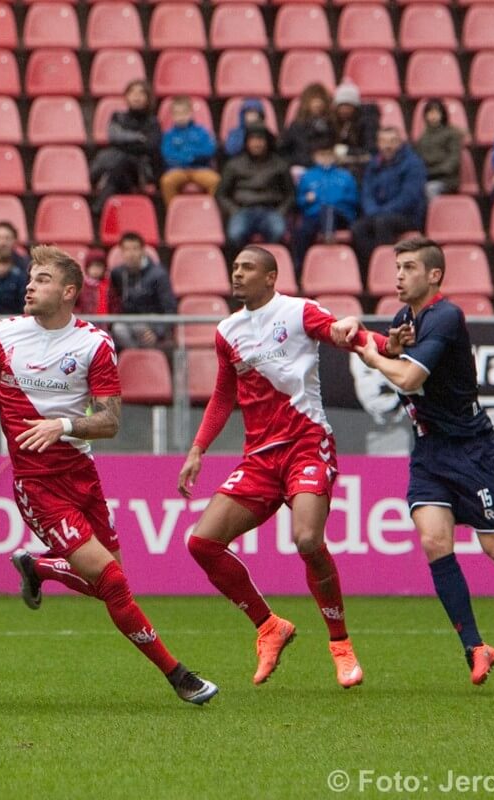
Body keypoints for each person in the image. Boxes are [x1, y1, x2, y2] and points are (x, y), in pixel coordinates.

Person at [0, 245, 219, 706]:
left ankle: (39, 566)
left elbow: (110, 422)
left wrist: (64, 425)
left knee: (111, 584)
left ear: (69, 291)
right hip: (37, 483)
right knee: (112, 582)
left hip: (83, 474)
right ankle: (179, 676)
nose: (29, 285)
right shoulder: (2, 335)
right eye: (30, 277)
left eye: (42, 279)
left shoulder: (93, 344)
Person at [336, 237, 494, 684]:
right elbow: (397, 353)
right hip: (429, 451)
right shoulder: (404, 318)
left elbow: (410, 375)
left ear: (434, 275)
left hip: (471, 449)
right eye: (397, 266)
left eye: (409, 267)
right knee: (434, 542)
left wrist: (374, 355)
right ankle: (475, 647)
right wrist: (367, 332)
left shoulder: (447, 316)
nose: (398, 274)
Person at [177, 246, 388, 689]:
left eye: (247, 267)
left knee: (307, 537)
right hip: (259, 457)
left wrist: (387, 344)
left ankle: (341, 645)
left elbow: (343, 333)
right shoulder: (227, 331)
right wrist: (198, 449)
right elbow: (222, 397)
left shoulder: (297, 312)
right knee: (201, 543)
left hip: (307, 445)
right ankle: (269, 626)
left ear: (271, 277)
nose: (237, 273)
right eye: (234, 267)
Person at [351, 127, 427, 266]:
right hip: (377, 214)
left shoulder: (413, 164)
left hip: (406, 216)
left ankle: (386, 268)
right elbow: (367, 193)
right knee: (357, 228)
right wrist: (373, 211)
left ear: (400, 143)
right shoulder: (374, 164)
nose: (388, 146)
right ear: (378, 143)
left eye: (392, 141)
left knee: (382, 223)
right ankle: (369, 269)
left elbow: (409, 197)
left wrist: (382, 212)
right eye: (384, 141)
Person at [216, 124, 293, 249]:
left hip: (270, 210)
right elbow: (221, 194)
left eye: (260, 140)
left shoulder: (280, 165)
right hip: (242, 210)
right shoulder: (234, 165)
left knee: (278, 231)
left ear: (267, 142)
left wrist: (281, 211)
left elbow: (290, 194)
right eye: (253, 140)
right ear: (246, 142)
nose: (257, 144)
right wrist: (233, 210)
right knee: (235, 234)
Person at [90, 80, 161, 212]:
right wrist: (138, 139)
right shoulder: (117, 117)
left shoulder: (153, 122)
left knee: (122, 161)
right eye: (132, 92)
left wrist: (124, 143)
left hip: (141, 171)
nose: (136, 96)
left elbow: (150, 146)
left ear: (147, 98)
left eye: (141, 93)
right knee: (119, 165)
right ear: (126, 96)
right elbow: (113, 138)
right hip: (120, 170)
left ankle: (98, 208)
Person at [292, 138, 358, 272]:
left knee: (328, 209)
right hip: (314, 216)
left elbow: (354, 199)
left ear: (334, 155)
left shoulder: (345, 176)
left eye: (329, 154)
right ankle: (300, 271)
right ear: (315, 156)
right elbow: (299, 201)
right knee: (301, 232)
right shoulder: (307, 176)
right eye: (322, 154)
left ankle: (329, 240)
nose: (325, 158)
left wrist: (336, 201)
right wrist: (306, 199)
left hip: (341, 215)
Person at [106, 231, 176, 351]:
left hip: (151, 323)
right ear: (121, 252)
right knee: (118, 329)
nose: (131, 254)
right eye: (126, 250)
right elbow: (113, 301)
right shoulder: (117, 273)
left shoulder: (159, 275)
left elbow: (170, 308)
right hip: (128, 322)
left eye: (135, 249)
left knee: (138, 328)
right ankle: (136, 358)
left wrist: (158, 332)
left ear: (143, 250)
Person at [158, 95, 220, 207]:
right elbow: (168, 155)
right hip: (178, 170)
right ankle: (173, 213)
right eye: (177, 113)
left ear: (191, 113)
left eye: (184, 112)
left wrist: (190, 156)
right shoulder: (169, 135)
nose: (181, 116)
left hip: (200, 169)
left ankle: (211, 212)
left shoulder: (201, 132)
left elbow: (209, 150)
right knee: (166, 182)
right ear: (172, 115)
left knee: (215, 181)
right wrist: (188, 157)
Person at [414, 99, 463, 201]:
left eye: (436, 112)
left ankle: (435, 216)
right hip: (426, 178)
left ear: (442, 114)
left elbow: (453, 161)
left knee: (429, 189)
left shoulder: (452, 134)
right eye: (430, 113)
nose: (433, 116)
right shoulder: (422, 138)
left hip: (447, 180)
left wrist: (433, 172)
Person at [277, 83, 334, 169]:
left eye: (321, 100)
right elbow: (283, 151)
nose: (318, 104)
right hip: (301, 168)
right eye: (314, 99)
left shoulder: (330, 126)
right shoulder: (296, 126)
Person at [330, 82, 379, 171]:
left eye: (348, 105)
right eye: (341, 105)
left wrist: (345, 151)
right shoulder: (333, 121)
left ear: (355, 107)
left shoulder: (368, 122)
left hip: (361, 166)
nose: (344, 110)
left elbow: (370, 150)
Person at [77, 248, 110, 316]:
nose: (95, 270)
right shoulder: (81, 286)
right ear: (87, 267)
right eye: (92, 266)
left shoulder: (109, 286)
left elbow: (114, 305)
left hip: (105, 322)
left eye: (99, 266)